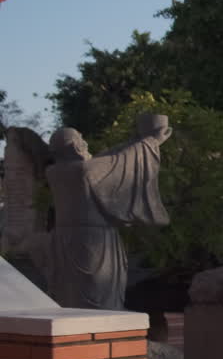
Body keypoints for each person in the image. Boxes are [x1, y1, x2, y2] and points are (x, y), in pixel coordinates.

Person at [45, 116, 171, 310]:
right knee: (100, 301)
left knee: (70, 298)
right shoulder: (84, 171)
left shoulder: (54, 172)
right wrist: (152, 141)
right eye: (80, 139)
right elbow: (115, 163)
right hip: (94, 242)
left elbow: (105, 161)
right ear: (75, 147)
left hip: (65, 240)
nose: (85, 143)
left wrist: (137, 142)